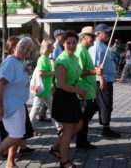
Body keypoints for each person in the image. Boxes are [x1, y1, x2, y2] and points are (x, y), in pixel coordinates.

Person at [0, 37, 34, 168]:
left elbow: (17, 80)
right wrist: (0, 106)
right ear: (16, 46)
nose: (24, 51)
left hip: (19, 104)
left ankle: (10, 163)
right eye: (23, 47)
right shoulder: (10, 62)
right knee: (16, 135)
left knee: (17, 134)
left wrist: (26, 73)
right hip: (11, 105)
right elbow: (0, 85)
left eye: (27, 50)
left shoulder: (19, 62)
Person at [50, 30, 86, 168]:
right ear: (63, 43)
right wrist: (79, 91)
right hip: (64, 97)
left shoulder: (74, 57)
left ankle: (55, 147)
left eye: (74, 43)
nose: (71, 46)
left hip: (72, 96)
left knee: (78, 125)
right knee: (68, 130)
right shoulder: (62, 60)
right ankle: (64, 161)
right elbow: (62, 84)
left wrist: (79, 92)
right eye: (68, 43)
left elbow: (76, 76)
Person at [88, 23, 120, 138]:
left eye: (107, 32)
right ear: (98, 33)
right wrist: (101, 78)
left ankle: (82, 121)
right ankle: (105, 128)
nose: (107, 34)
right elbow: (95, 65)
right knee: (105, 104)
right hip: (102, 80)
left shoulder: (103, 45)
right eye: (105, 32)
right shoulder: (96, 46)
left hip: (106, 79)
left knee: (98, 104)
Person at [75, 26, 102, 149]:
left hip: (88, 90)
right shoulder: (80, 50)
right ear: (84, 37)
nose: (94, 39)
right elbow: (78, 72)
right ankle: (79, 140)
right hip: (83, 92)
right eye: (92, 37)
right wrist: (94, 71)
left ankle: (81, 140)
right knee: (83, 119)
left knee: (85, 117)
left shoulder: (85, 49)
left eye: (94, 37)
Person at [29, 38, 61, 136]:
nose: (54, 47)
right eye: (52, 46)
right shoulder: (43, 59)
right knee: (35, 110)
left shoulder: (46, 58)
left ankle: (59, 127)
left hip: (46, 90)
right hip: (42, 90)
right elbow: (41, 73)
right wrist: (52, 73)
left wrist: (51, 84)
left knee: (53, 109)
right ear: (48, 47)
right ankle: (28, 128)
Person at [38, 29, 66, 123]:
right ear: (57, 36)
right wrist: (55, 75)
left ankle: (44, 115)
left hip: (53, 75)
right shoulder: (55, 47)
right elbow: (52, 61)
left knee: (50, 97)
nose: (63, 36)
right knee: (52, 96)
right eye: (62, 35)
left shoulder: (58, 46)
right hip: (54, 75)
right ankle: (46, 115)